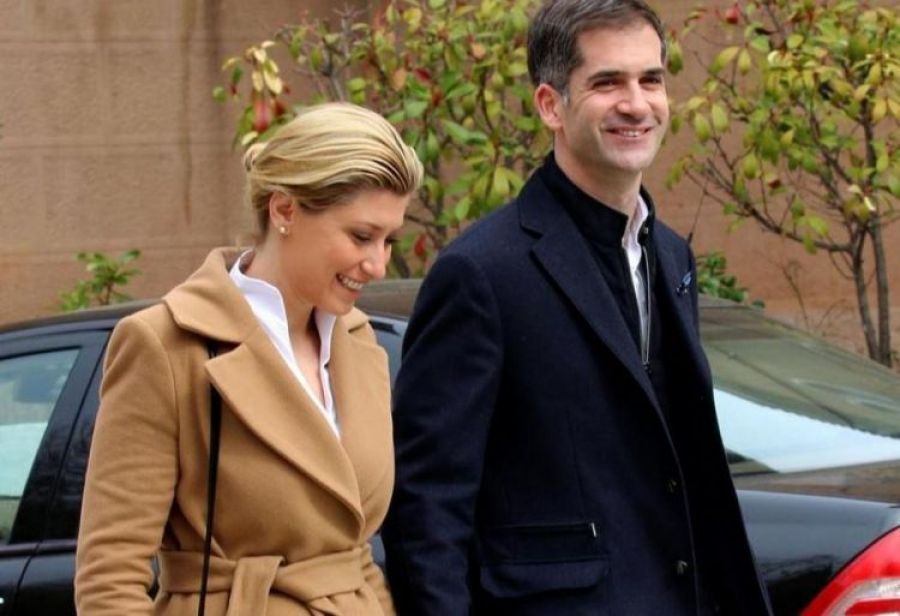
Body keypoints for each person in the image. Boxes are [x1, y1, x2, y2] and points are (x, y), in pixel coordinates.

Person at [381, 1, 771, 614]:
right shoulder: (481, 273)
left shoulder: (672, 256)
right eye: (607, 82)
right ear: (550, 105)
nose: (636, 104)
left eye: (651, 80)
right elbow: (426, 507)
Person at [75, 102, 423, 615]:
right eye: (361, 236)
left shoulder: (357, 339)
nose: (377, 265)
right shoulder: (167, 344)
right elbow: (109, 582)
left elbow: (354, 555)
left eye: (389, 241)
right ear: (284, 211)